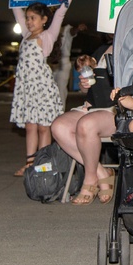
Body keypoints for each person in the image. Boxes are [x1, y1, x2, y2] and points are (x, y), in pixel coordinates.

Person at [10, 0, 80, 176]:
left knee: (43, 128)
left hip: (42, 89)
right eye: (28, 18)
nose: (29, 21)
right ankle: (30, 163)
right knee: (30, 127)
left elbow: (60, 14)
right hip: (27, 90)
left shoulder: (47, 37)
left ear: (43, 20)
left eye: (33, 18)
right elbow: (17, 14)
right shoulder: (25, 36)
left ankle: (43, 164)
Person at [51, 46, 118, 205]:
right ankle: (101, 173)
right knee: (58, 126)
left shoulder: (131, 45)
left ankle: (90, 179)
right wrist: (84, 85)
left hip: (116, 110)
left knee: (86, 125)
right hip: (92, 107)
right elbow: (86, 89)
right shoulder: (99, 50)